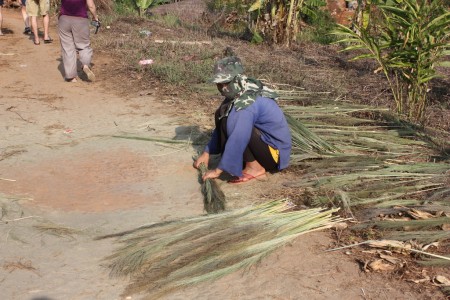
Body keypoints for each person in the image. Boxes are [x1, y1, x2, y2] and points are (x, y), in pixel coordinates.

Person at [193, 56, 292, 184]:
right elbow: (222, 123)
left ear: (236, 79)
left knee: (236, 125)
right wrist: (207, 153)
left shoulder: (246, 103)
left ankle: (255, 168)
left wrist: (218, 171)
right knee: (224, 116)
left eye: (226, 83)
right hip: (262, 144)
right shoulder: (241, 90)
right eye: (219, 84)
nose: (222, 87)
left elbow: (238, 137)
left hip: (274, 155)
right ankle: (246, 162)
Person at [58, 0, 99, 82]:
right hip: (80, 20)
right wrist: (95, 17)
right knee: (83, 46)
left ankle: (71, 76)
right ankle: (85, 65)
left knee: (67, 48)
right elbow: (91, 6)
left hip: (64, 19)